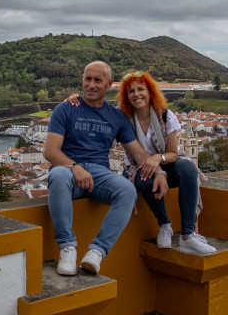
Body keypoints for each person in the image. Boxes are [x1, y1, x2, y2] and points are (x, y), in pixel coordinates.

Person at [68, 70, 215, 256]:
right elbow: (96, 109)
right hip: (141, 168)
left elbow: (172, 153)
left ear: (150, 91)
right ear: (126, 96)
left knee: (187, 167)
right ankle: (164, 224)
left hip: (167, 164)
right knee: (145, 178)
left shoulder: (165, 116)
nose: (136, 94)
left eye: (140, 89)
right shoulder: (122, 119)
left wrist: (157, 160)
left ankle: (188, 235)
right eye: (131, 91)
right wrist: (76, 99)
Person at [45, 61, 165, 276]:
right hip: (68, 170)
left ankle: (97, 252)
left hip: (99, 174)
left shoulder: (116, 116)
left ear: (109, 84)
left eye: (97, 80)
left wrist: (159, 170)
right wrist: (74, 166)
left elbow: (138, 154)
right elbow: (51, 151)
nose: (91, 85)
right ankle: (67, 247)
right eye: (87, 79)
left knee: (127, 191)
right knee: (59, 175)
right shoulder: (65, 108)